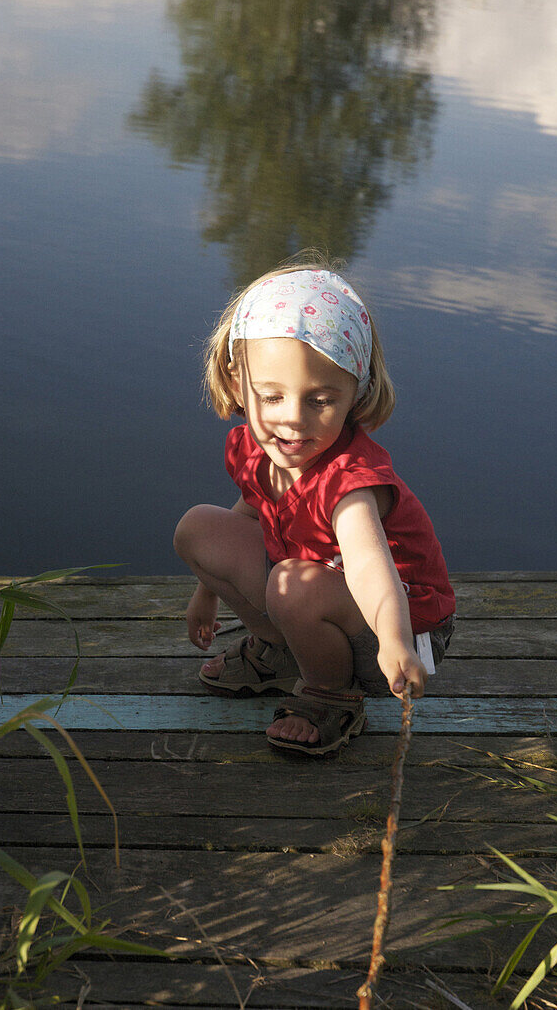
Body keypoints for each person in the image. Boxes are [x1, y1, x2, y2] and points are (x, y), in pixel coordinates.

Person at [173, 262, 455, 755]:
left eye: (320, 400)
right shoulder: (258, 451)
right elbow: (248, 517)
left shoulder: (349, 481)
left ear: (356, 392)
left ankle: (332, 695)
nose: (293, 422)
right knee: (199, 528)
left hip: (401, 628)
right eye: (272, 396)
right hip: (326, 597)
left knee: (291, 584)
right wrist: (208, 594)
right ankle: (284, 654)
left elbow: (369, 566)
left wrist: (395, 640)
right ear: (238, 382)